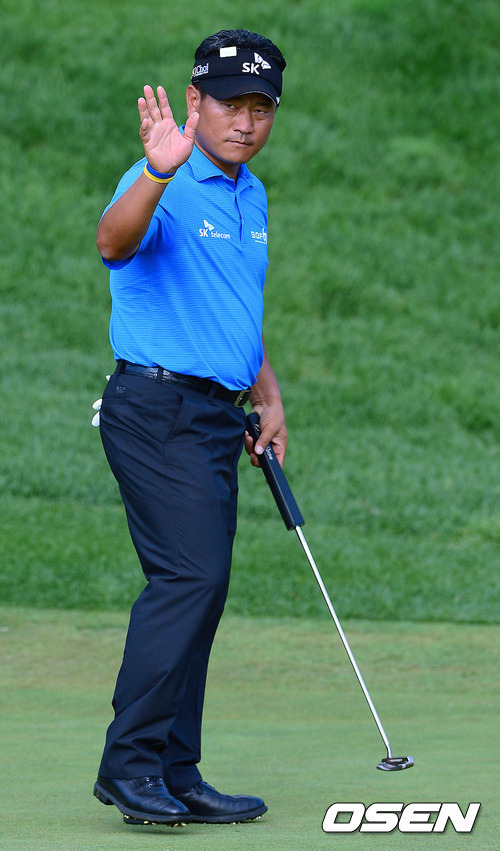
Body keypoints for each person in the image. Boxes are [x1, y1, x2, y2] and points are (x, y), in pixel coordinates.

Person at [92, 28, 287, 827]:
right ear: (195, 100)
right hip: (156, 409)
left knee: (202, 591)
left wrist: (266, 393)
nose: (244, 122)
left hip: (212, 416)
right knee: (189, 580)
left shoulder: (252, 194)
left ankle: (175, 769)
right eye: (230, 104)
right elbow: (112, 241)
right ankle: (130, 765)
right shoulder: (162, 177)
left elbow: (234, 305)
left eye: (260, 107)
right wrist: (157, 170)